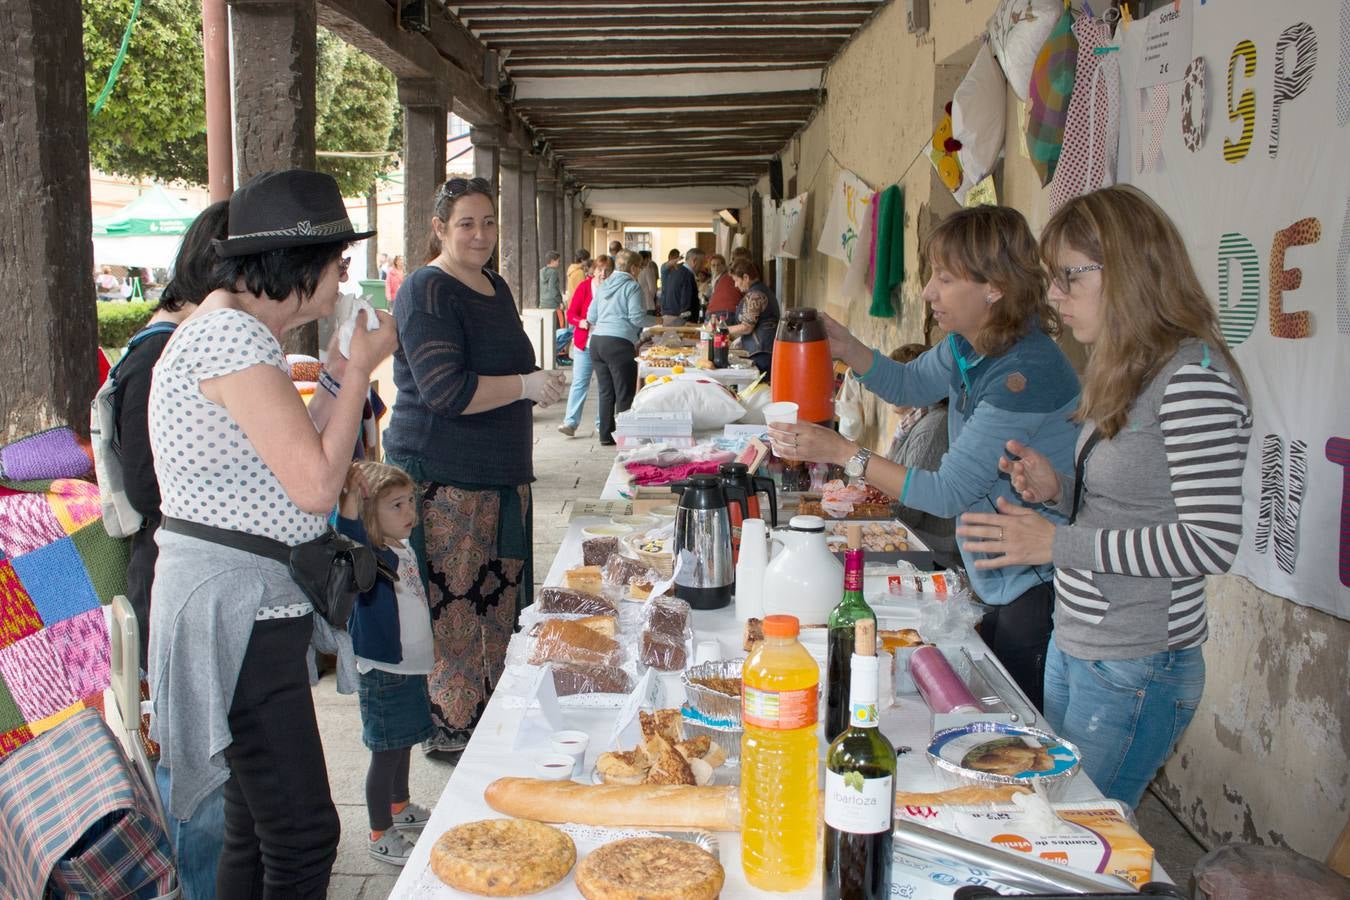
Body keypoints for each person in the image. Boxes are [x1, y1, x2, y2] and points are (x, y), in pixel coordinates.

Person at [956, 186, 1253, 806]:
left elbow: (1209, 542)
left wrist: (1054, 541)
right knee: (1053, 817)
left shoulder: (1193, 380)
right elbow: (1128, 507)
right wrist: (1058, 490)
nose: (1054, 297)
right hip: (1080, 640)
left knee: (1083, 828)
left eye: (1068, 277)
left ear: (1126, 270)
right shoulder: (1128, 371)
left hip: (1137, 663)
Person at [147, 169, 396, 898]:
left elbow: (298, 455)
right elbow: (319, 486)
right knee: (303, 833)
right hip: (237, 610)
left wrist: (340, 373)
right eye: (339, 265)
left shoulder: (232, 330)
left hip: (242, 606)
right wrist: (361, 374)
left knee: (256, 828)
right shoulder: (229, 336)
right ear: (302, 265)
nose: (342, 280)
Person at [766, 205, 1081, 710]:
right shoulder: (966, 345)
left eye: (945, 278)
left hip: (1034, 580)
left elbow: (946, 491)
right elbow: (909, 383)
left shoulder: (1025, 371)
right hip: (992, 571)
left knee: (1018, 721)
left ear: (994, 287)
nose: (929, 292)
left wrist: (845, 452)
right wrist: (849, 348)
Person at [383, 176, 566, 761]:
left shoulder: (495, 285)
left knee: (498, 601)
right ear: (439, 228)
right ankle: (452, 729)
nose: (480, 234)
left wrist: (536, 382)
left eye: (488, 222)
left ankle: (489, 719)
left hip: (500, 473)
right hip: (446, 479)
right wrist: (523, 385)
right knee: (455, 610)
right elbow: (444, 391)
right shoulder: (426, 290)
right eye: (466, 223)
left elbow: (506, 364)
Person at [108, 201, 228, 900]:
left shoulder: (180, 344)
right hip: (173, 579)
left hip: (184, 576)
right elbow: (151, 486)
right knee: (193, 772)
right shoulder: (161, 352)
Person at [336, 461, 436, 866]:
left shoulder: (402, 545)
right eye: (396, 505)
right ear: (369, 514)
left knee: (404, 740)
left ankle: (400, 804)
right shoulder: (367, 554)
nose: (410, 512)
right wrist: (348, 499)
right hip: (383, 673)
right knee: (386, 751)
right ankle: (380, 831)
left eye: (410, 501)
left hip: (409, 667)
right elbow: (345, 531)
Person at [883, 344, 957, 568]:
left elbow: (909, 510)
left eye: (897, 380)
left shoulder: (932, 427)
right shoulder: (913, 423)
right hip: (918, 540)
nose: (887, 389)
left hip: (933, 550)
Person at [588, 249, 653, 446]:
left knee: (606, 391)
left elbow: (591, 316)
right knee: (625, 392)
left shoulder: (604, 285)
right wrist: (657, 320)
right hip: (619, 344)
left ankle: (606, 435)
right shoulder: (632, 286)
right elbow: (637, 317)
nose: (640, 272)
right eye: (640, 268)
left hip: (597, 342)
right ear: (633, 268)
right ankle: (626, 438)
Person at [559, 256, 609, 437]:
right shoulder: (584, 287)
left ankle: (602, 423)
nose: (603, 273)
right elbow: (571, 313)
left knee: (604, 386)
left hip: (605, 344)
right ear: (593, 270)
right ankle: (570, 422)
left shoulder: (612, 288)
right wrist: (580, 322)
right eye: (600, 269)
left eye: (606, 270)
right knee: (579, 383)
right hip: (585, 344)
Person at [724, 260, 779, 378]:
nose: (735, 285)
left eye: (736, 280)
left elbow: (747, 327)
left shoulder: (755, 295)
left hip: (761, 352)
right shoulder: (762, 290)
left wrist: (722, 330)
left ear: (746, 277)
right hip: (765, 349)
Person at [660, 247, 703, 324]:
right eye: (702, 263)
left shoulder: (676, 270)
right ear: (695, 261)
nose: (702, 267)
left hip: (669, 316)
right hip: (679, 320)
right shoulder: (687, 275)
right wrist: (689, 323)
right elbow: (686, 303)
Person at [705, 253, 741, 318]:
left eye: (718, 265)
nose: (716, 267)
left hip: (724, 312)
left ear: (724, 265)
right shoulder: (713, 279)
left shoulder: (727, 277)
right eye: (713, 265)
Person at [637, 249, 658, 313]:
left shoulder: (636, 270)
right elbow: (653, 288)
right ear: (646, 259)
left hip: (639, 303)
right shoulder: (648, 270)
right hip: (648, 303)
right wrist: (650, 297)